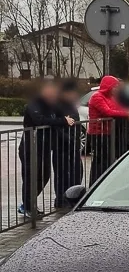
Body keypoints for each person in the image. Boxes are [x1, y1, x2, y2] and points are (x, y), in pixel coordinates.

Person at [18, 79, 74, 217]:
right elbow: (40, 120)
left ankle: (28, 203)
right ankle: (28, 207)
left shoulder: (51, 105)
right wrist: (62, 121)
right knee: (31, 176)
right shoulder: (34, 104)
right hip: (30, 146)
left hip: (44, 146)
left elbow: (62, 115)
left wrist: (65, 118)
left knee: (44, 175)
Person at [87, 76, 129, 184]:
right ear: (109, 87)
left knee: (107, 161)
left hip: (107, 133)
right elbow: (107, 112)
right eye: (115, 86)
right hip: (98, 134)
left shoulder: (110, 97)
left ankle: (103, 184)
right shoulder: (97, 97)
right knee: (100, 161)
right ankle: (95, 184)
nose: (117, 89)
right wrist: (126, 114)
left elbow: (117, 108)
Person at [52, 80, 84, 208]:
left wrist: (75, 139)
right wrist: (67, 138)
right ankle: (61, 199)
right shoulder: (56, 104)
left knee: (77, 171)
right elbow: (54, 124)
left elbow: (76, 121)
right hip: (61, 145)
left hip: (73, 144)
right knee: (61, 173)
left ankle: (73, 197)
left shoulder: (71, 105)